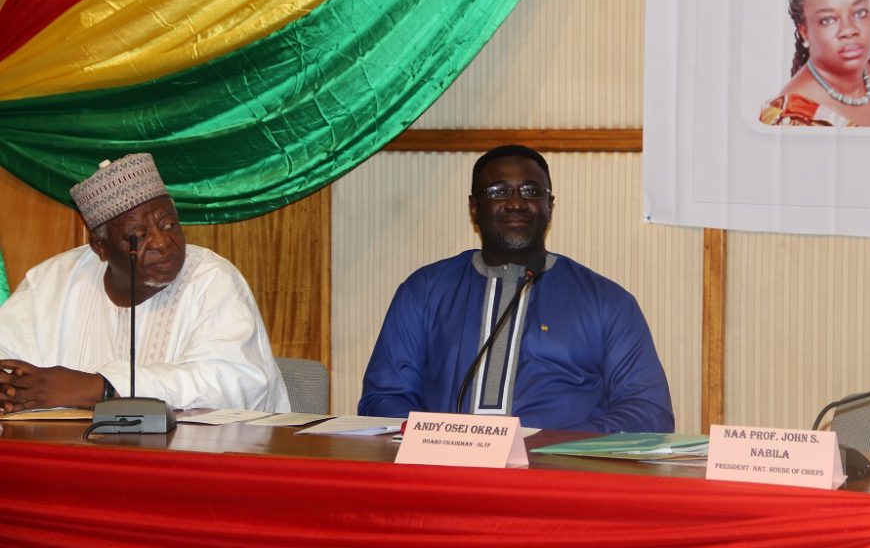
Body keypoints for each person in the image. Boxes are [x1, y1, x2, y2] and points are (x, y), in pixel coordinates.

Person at [358, 145, 674, 432]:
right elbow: (383, 398)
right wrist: (437, 440)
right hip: (444, 469)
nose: (516, 203)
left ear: (549, 206)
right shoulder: (424, 291)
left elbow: (649, 412)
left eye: (531, 191)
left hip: (556, 469)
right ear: (474, 208)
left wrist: (552, 446)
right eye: (498, 191)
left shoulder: (606, 301)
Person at [0, 154, 290, 414]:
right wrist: (10, 389)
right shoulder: (52, 282)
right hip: (69, 452)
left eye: (168, 225)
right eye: (139, 235)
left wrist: (101, 388)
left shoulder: (212, 279)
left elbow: (233, 383)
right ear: (100, 246)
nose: (162, 242)